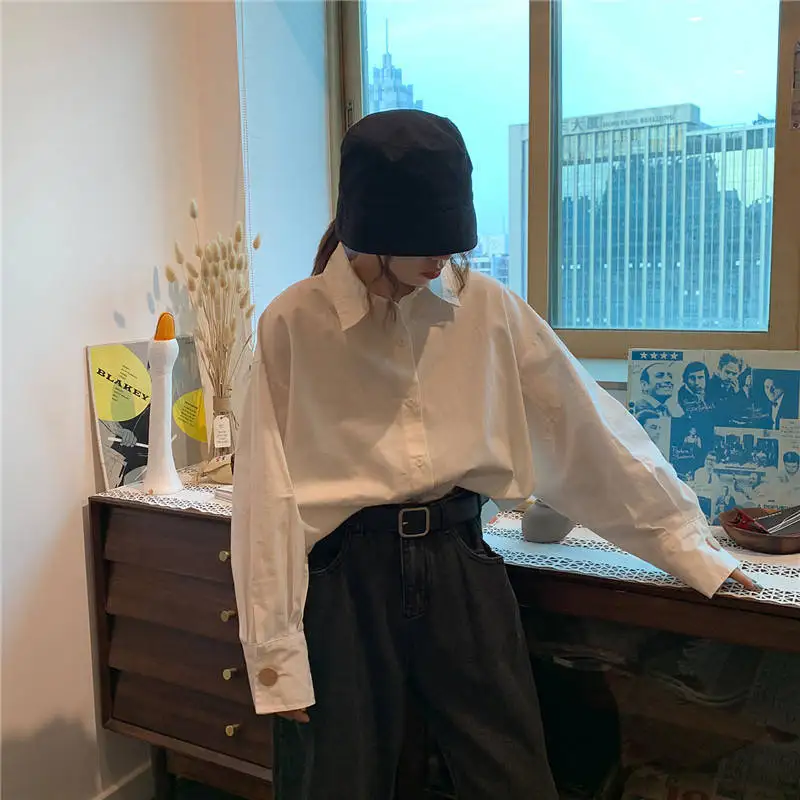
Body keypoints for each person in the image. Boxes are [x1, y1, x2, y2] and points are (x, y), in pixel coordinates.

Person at [231, 109, 757, 800]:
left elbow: (582, 426)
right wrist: (274, 653)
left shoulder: (486, 310)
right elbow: (264, 494)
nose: (443, 260)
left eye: (454, 241)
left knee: (512, 774)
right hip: (342, 577)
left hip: (459, 561)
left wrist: (687, 545)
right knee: (335, 780)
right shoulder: (294, 322)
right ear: (373, 231)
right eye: (427, 241)